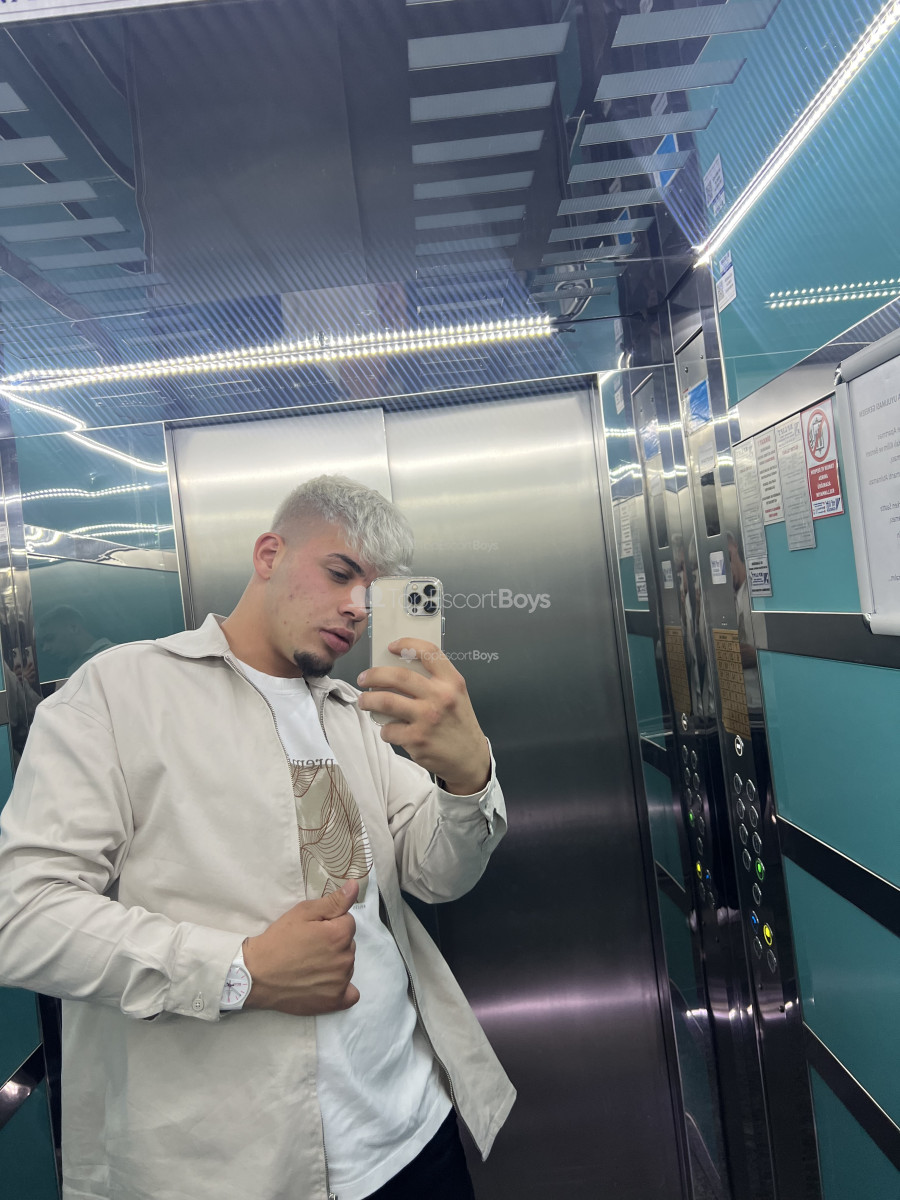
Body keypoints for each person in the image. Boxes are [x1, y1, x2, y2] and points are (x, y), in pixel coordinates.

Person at [0, 475, 514, 1200]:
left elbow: (436, 874)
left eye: (373, 593)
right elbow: (21, 917)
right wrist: (238, 970)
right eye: (340, 573)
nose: (357, 607)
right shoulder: (120, 694)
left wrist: (467, 779)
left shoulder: (351, 715)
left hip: (411, 1135)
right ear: (269, 554)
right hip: (228, 1169)